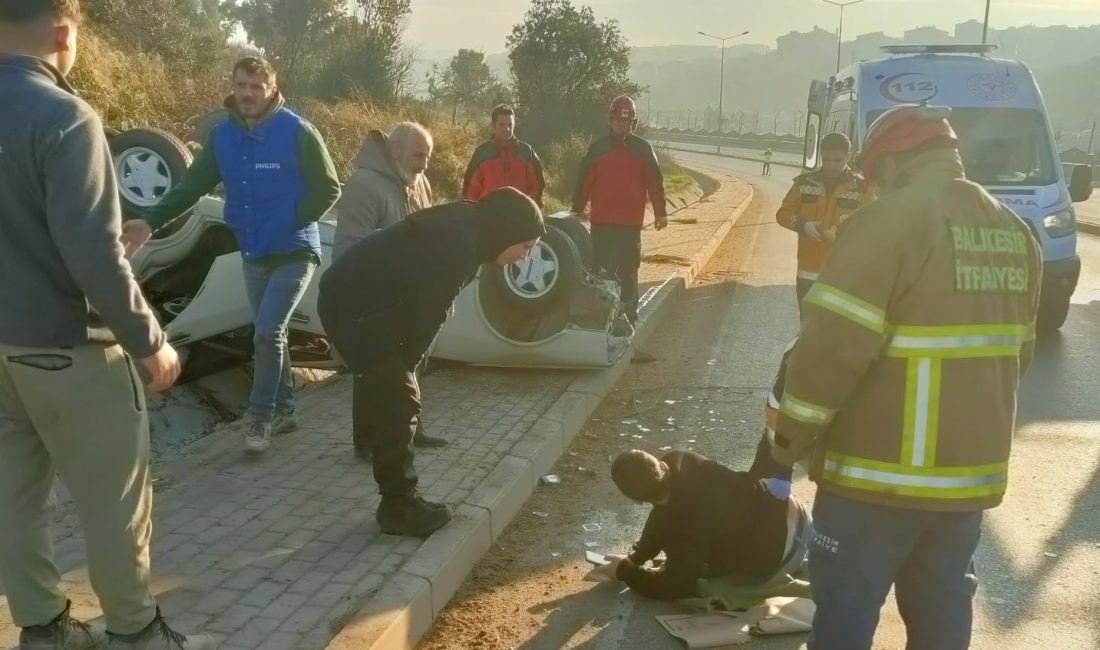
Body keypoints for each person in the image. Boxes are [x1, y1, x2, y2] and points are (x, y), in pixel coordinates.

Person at [770, 104, 1042, 650]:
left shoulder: (886, 222)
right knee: (942, 612)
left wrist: (787, 440)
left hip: (875, 479)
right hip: (965, 484)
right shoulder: (1017, 234)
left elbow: (830, 352)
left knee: (845, 612)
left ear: (891, 164)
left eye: (876, 177)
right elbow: (1021, 356)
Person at [0, 1, 214, 648]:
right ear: (64, 31)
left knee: (11, 501)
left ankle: (43, 628)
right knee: (114, 505)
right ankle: (136, 633)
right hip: (67, 349)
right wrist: (149, 342)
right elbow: (92, 256)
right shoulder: (64, 117)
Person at [122, 56, 341, 455]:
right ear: (234, 86)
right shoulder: (223, 138)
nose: (247, 94)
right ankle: (287, 408)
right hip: (254, 252)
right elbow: (189, 189)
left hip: (295, 250)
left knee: (266, 332)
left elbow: (328, 189)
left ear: (272, 89)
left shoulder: (298, 133)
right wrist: (148, 221)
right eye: (241, 85)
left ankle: (259, 419)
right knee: (266, 332)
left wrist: (288, 221)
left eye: (256, 86)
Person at [317, 187, 545, 537]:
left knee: (383, 378)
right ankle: (398, 506)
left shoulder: (473, 228)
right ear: (509, 231)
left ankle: (368, 438)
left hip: (355, 297)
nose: (524, 257)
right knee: (400, 397)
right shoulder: (462, 244)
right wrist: (407, 366)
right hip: (356, 307)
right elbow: (429, 314)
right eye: (526, 246)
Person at [333, 122, 447, 456]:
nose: (424, 164)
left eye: (428, 156)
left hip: (413, 294)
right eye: (418, 155)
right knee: (373, 368)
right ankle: (366, 440)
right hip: (375, 296)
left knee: (412, 364)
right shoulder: (364, 185)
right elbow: (349, 248)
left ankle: (412, 428)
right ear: (395, 151)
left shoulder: (418, 181)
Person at [592, 450, 812, 601]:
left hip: (787, 550)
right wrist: (635, 558)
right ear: (660, 464)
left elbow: (675, 587)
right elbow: (662, 513)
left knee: (705, 576)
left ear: (635, 500)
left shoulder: (687, 530)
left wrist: (626, 573)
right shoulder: (680, 459)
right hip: (788, 506)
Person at [573, 95, 669, 325]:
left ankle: (628, 317)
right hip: (601, 224)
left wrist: (660, 212)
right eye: (616, 120)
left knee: (629, 273)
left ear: (632, 123)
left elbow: (655, 183)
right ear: (610, 120)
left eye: (625, 121)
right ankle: (598, 318)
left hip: (630, 227)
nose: (620, 124)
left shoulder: (643, 150)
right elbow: (584, 181)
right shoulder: (597, 149)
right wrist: (577, 208)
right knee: (599, 272)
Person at [775, 132, 870, 311]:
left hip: (843, 273)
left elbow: (872, 225)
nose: (831, 165)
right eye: (827, 160)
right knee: (807, 326)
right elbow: (783, 214)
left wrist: (843, 233)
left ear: (848, 157)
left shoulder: (863, 189)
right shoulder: (803, 183)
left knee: (835, 327)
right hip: (808, 271)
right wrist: (803, 225)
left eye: (837, 160)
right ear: (821, 155)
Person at [462, 104, 546, 206]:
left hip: (519, 216)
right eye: (502, 125)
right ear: (493, 126)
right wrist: (475, 215)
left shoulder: (526, 152)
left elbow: (538, 186)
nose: (506, 129)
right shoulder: (482, 153)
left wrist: (530, 212)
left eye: (510, 125)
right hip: (488, 216)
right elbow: (471, 189)